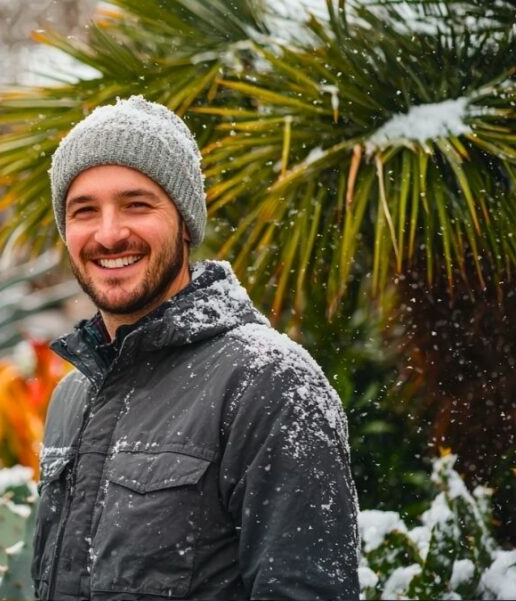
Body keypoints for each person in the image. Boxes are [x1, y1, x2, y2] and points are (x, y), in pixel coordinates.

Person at [31, 96, 360, 600]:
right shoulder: (72, 396)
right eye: (84, 211)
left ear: (185, 222)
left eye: (136, 204)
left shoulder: (270, 382)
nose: (109, 232)